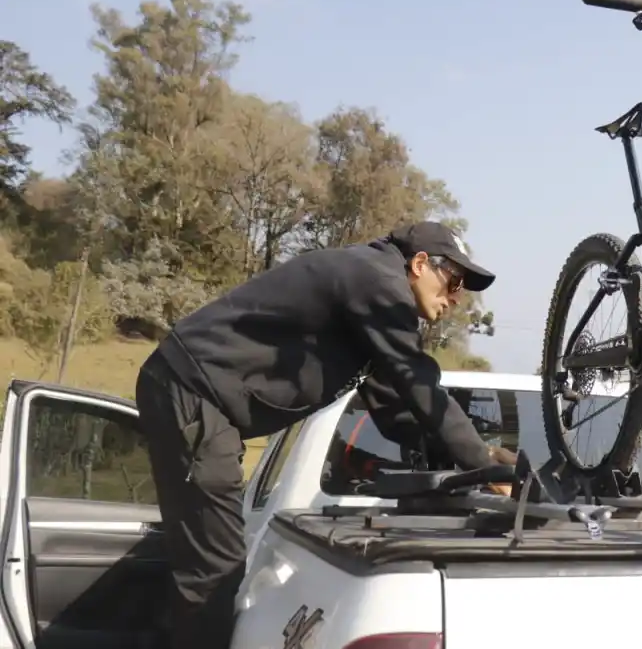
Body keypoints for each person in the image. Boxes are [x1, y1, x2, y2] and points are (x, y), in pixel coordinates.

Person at [133, 220, 503, 649]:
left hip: (201, 399)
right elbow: (418, 382)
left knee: (206, 564)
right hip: (193, 391)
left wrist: (467, 460)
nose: (456, 298)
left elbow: (397, 408)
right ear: (420, 263)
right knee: (214, 571)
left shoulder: (371, 300)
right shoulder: (377, 281)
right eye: (454, 280)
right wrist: (483, 464)